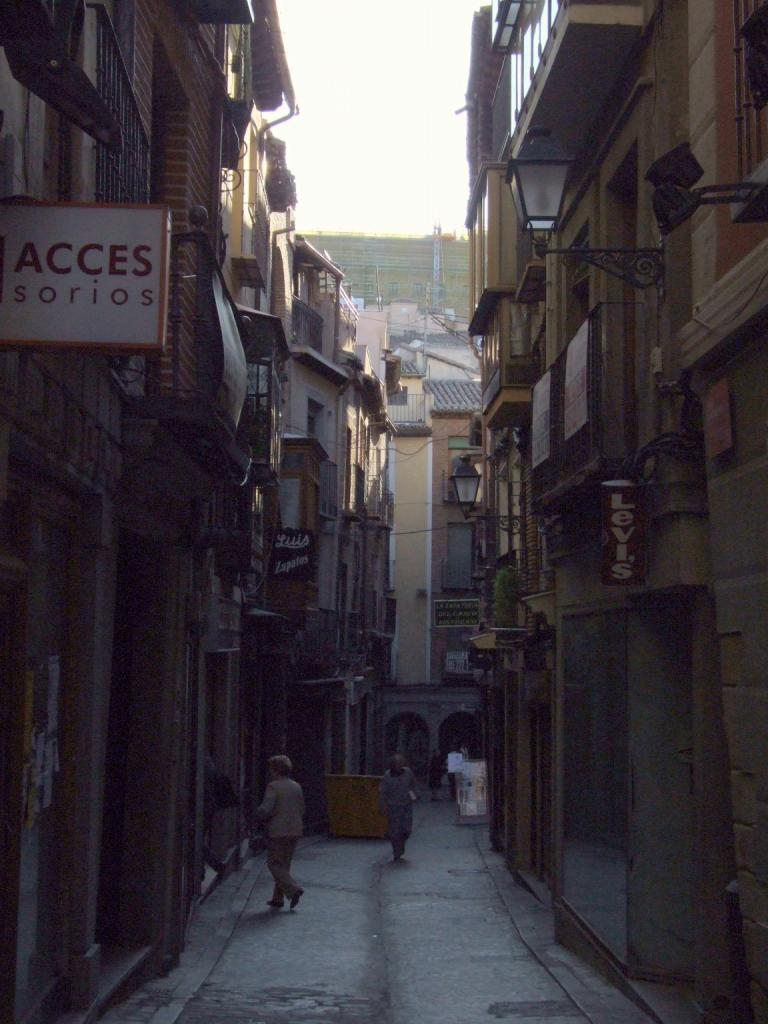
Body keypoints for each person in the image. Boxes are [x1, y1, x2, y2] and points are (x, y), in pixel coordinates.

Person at [253, 754, 305, 910]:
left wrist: (256, 814)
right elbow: (302, 808)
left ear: (275, 769)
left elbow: (266, 808)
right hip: (295, 829)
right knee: (284, 864)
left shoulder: (273, 786)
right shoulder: (296, 786)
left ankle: (294, 889)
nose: (270, 771)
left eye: (271, 768)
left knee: (274, 863)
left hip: (278, 830)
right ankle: (277, 898)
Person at [379, 753, 416, 861]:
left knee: (406, 829)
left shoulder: (408, 772)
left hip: (406, 805)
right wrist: (382, 805)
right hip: (393, 806)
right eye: (397, 763)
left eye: (401, 763)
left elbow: (412, 785)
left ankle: (402, 844)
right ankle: (396, 851)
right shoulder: (387, 775)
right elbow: (383, 792)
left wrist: (413, 796)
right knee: (394, 831)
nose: (400, 765)